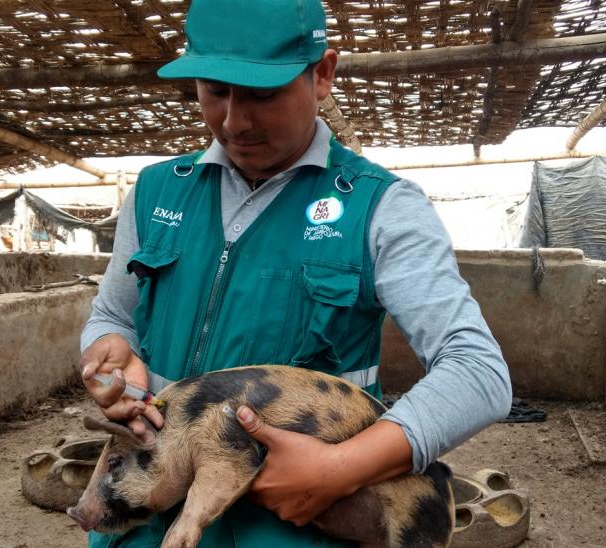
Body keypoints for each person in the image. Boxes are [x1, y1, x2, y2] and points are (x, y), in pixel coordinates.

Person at [78, 0, 512, 546]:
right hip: (148, 511)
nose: (235, 120)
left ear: (323, 74)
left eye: (262, 94)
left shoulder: (381, 207)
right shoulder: (157, 190)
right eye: (214, 91)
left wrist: (344, 467)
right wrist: (107, 350)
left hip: (297, 523)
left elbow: (478, 371)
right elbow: (113, 315)